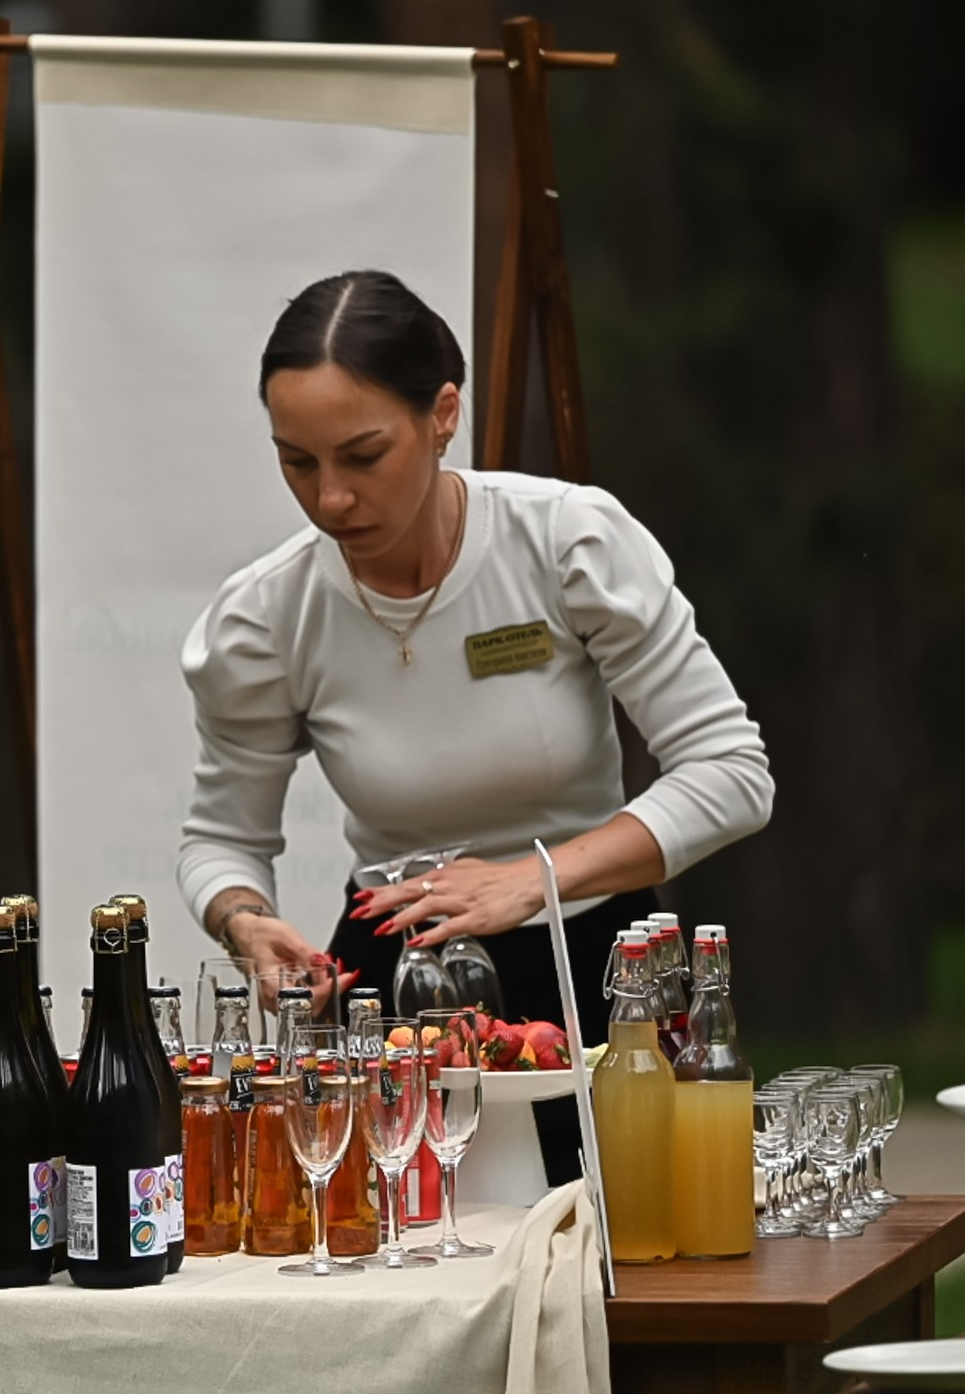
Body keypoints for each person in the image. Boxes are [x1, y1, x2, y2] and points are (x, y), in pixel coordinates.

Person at [178, 270, 773, 1168]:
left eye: (363, 455)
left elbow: (732, 774)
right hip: (393, 989)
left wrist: (535, 879)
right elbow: (220, 838)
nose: (330, 497)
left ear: (442, 413)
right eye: (297, 461)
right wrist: (244, 920)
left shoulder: (565, 540)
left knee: (646, 1276)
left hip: (604, 967)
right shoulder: (266, 616)